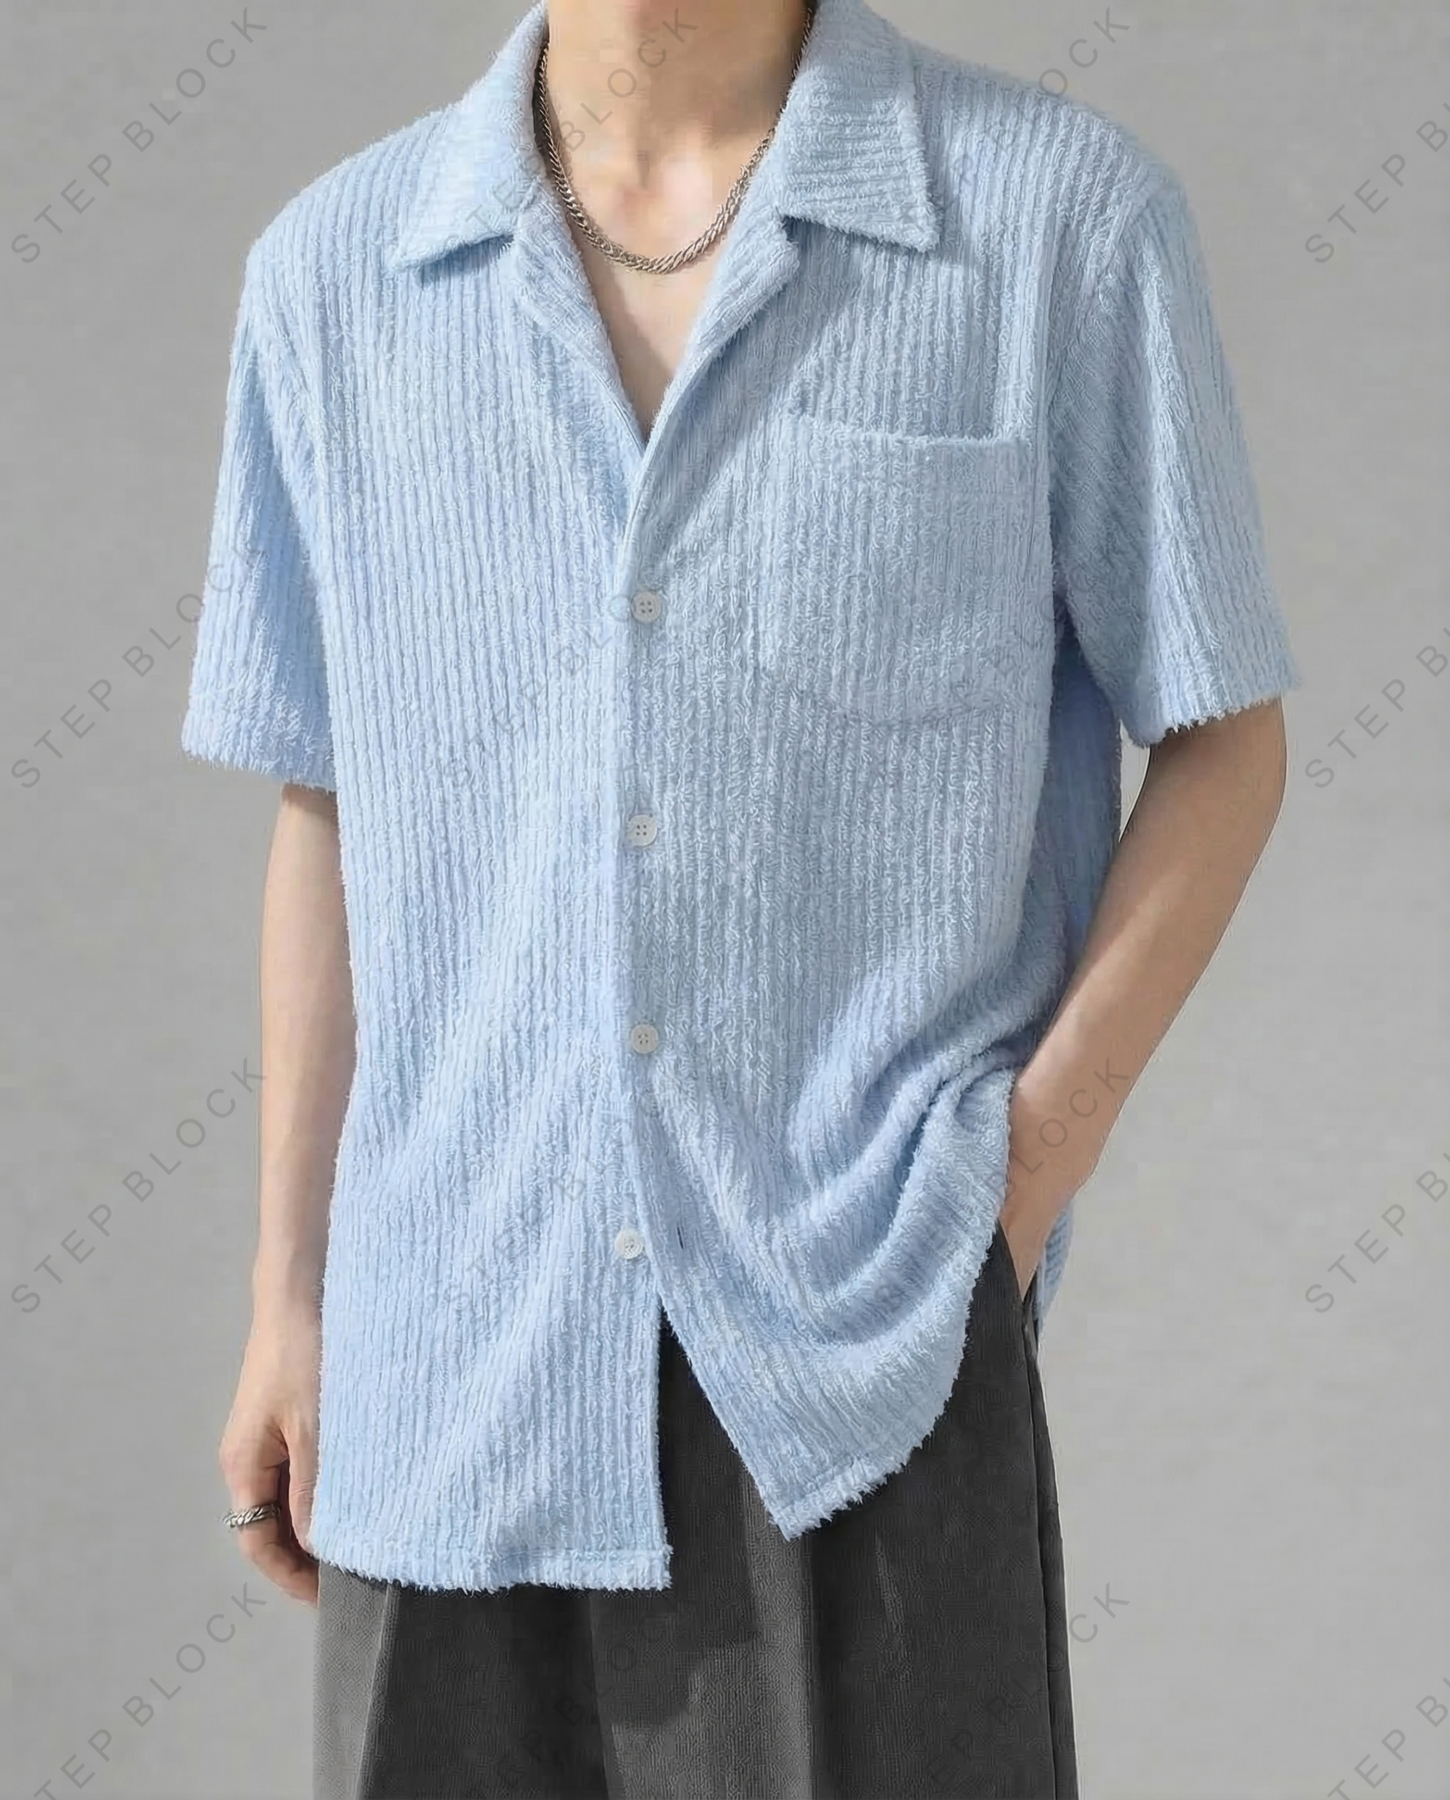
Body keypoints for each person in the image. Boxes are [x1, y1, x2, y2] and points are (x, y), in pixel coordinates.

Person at [182, 0, 1301, 1792]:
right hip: (445, 1359)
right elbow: (328, 805)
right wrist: (290, 1298)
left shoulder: (1054, 224)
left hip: (856, 1360)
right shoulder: (334, 275)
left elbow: (1222, 740)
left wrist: (1006, 1189)